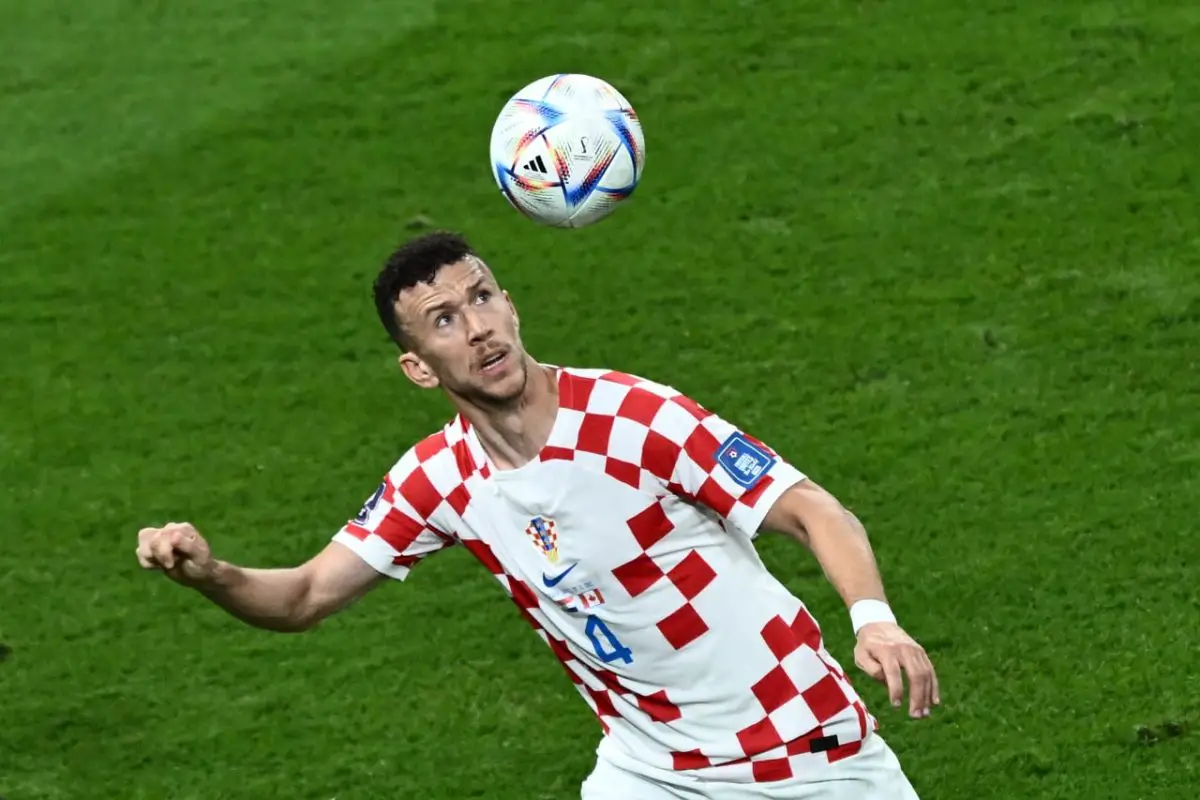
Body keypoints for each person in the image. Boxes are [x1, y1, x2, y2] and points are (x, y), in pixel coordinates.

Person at [136, 231, 939, 799]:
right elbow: (305, 596)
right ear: (418, 368)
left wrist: (874, 621)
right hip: (651, 772)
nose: (478, 326)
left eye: (482, 297)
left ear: (510, 304)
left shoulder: (634, 418)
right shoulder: (442, 479)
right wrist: (212, 575)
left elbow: (808, 509)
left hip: (804, 752)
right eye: (445, 319)